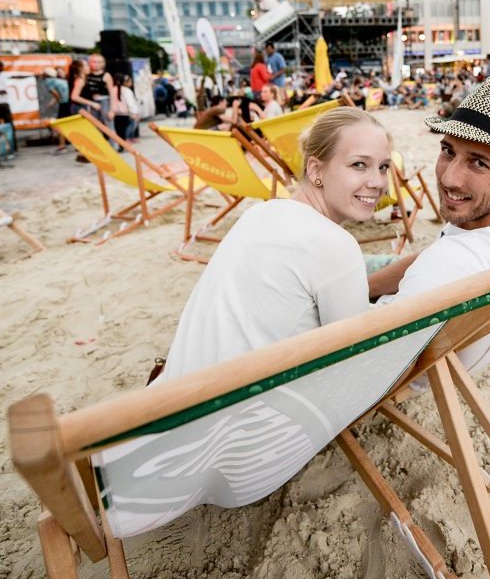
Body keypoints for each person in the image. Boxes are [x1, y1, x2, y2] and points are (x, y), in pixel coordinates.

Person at [159, 107, 392, 378]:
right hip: (246, 412)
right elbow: (356, 360)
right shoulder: (334, 244)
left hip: (172, 399)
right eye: (358, 165)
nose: (378, 182)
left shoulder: (258, 214)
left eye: (384, 167)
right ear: (316, 169)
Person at [367, 77, 490, 379]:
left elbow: (374, 362)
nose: (449, 178)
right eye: (448, 151)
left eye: (479, 163)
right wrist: (369, 286)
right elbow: (430, 258)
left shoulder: (451, 262)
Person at [113, 74, 140, 141]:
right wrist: (134, 112)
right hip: (125, 113)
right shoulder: (127, 91)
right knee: (127, 129)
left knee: (118, 130)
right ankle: (126, 141)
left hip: (115, 114)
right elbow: (130, 103)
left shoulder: (112, 90)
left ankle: (121, 143)